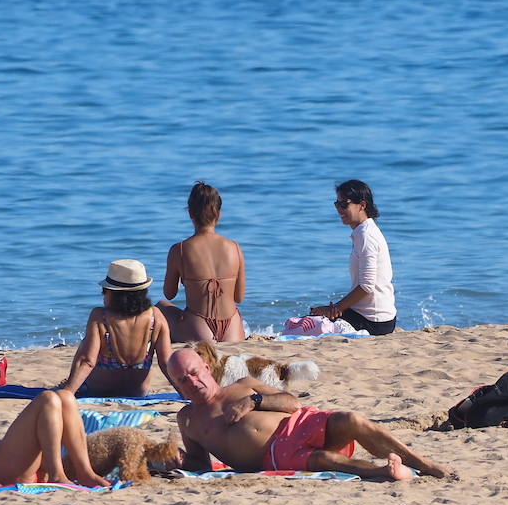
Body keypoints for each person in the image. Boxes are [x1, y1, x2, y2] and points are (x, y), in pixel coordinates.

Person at [166, 348, 450, 481]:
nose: (192, 382)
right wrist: (175, 461)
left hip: (297, 423)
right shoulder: (188, 419)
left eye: (193, 372)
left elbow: (291, 403)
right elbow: (199, 465)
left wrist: (254, 401)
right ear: (177, 386)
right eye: (182, 380)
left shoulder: (242, 386)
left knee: (352, 420)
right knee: (324, 460)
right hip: (273, 455)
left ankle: (423, 463)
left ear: (205, 366)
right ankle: (383, 472)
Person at [60, 260, 174, 397]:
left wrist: (68, 392)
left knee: (86, 343)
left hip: (100, 391)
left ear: (113, 293)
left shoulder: (100, 317)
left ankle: (69, 386)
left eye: (105, 292)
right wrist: (184, 393)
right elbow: (166, 362)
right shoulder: (156, 317)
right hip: (136, 392)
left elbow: (88, 361)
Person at [158, 181, 247, 343]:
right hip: (232, 331)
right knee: (234, 310)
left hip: (198, 330)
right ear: (218, 215)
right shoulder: (234, 247)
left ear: (190, 214)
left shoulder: (180, 250)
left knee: (160, 307)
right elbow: (239, 297)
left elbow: (169, 294)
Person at [309, 179, 396, 335]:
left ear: (362, 205)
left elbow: (366, 286)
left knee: (306, 324)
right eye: (337, 205)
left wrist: (335, 309)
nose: (339, 210)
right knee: (312, 317)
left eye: (344, 205)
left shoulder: (366, 235)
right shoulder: (364, 231)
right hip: (372, 316)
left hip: (374, 321)